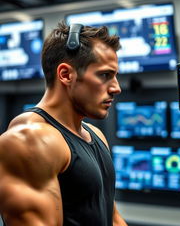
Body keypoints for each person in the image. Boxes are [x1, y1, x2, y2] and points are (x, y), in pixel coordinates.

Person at [0, 22, 128, 226]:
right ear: (66, 74)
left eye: (115, 76)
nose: (116, 88)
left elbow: (112, 219)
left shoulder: (95, 135)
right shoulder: (28, 140)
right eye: (105, 75)